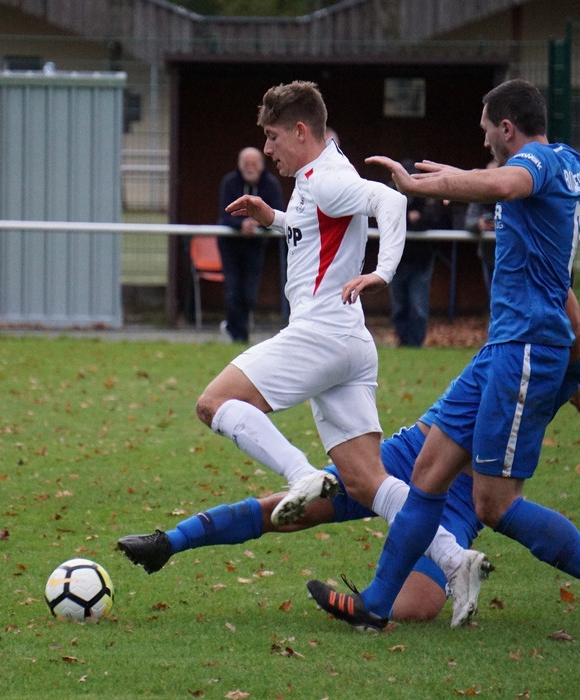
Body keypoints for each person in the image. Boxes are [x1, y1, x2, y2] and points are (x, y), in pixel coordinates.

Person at [309, 78, 580, 642]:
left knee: (493, 502)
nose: (484, 138)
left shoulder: (536, 166)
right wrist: (576, 380)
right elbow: (559, 285)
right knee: (428, 472)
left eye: (486, 130)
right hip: (504, 353)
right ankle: (374, 604)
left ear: (507, 128)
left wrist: (428, 183)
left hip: (522, 355)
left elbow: (508, 180)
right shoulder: (566, 161)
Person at [121, 290, 580, 626]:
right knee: (290, 510)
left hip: (462, 501)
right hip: (409, 456)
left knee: (416, 610)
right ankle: (170, 543)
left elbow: (570, 351)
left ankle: (402, 587)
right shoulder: (518, 348)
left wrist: (577, 392)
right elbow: (567, 340)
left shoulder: (557, 357)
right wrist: (579, 391)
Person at [195, 82, 490, 617]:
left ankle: (298, 474)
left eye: (272, 136)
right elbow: (320, 228)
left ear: (301, 131)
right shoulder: (320, 174)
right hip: (350, 342)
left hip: (321, 334)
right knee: (366, 480)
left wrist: (382, 271)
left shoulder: (328, 176)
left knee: (213, 404)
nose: (267, 149)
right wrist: (275, 219)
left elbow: (391, 199)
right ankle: (453, 558)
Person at [216, 147, 285, 343]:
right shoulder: (230, 182)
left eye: (254, 163)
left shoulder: (270, 184)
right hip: (230, 244)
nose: (250, 168)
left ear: (262, 165)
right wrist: (242, 224)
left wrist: (258, 223)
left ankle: (235, 329)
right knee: (232, 290)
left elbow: (276, 213)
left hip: (255, 245)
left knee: (249, 293)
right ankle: (239, 337)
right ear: (239, 166)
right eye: (246, 164)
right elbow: (224, 215)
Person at [390, 162, 451, 347]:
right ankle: (402, 341)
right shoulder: (391, 193)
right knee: (399, 305)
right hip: (396, 259)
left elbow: (436, 220)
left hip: (422, 259)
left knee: (418, 306)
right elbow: (385, 218)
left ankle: (416, 344)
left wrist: (410, 220)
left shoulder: (427, 194)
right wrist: (409, 217)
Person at [464, 160, 499, 298]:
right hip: (488, 256)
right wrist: (480, 224)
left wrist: (502, 225)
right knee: (494, 301)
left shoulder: (514, 193)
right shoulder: (480, 195)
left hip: (513, 259)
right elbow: (468, 222)